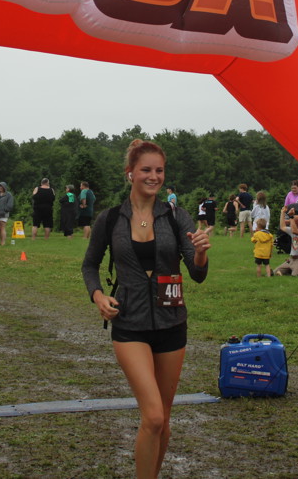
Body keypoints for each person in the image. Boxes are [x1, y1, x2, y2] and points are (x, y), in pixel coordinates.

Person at [82, 139, 210, 479]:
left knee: (163, 420)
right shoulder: (110, 219)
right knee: (152, 416)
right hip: (130, 325)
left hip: (172, 324)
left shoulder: (176, 216)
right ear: (130, 173)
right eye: (146, 170)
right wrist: (97, 296)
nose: (154, 177)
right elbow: (90, 265)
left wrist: (200, 252)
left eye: (159, 170)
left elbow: (197, 274)